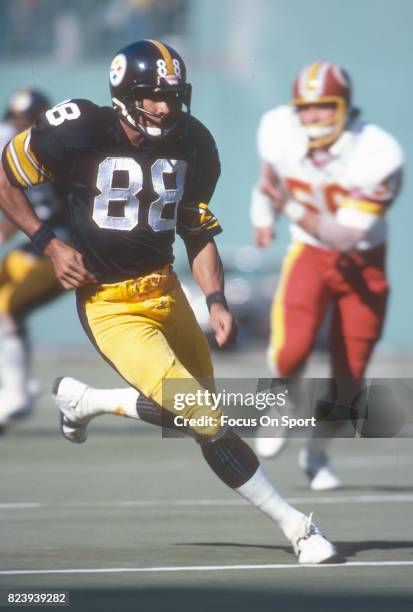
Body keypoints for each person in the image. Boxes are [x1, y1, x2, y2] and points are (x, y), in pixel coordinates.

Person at [0, 40, 336, 563]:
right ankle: (298, 528)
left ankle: (89, 401)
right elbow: (6, 175)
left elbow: (195, 230)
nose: (164, 107)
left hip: (164, 289)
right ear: (124, 94)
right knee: (205, 416)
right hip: (109, 303)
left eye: (173, 96)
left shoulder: (194, 142)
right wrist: (47, 241)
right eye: (154, 96)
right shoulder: (79, 129)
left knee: (196, 412)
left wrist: (217, 299)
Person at [251, 61, 403, 489]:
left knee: (350, 378)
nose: (313, 116)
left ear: (345, 106)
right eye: (306, 106)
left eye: (324, 106)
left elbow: (345, 234)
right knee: (289, 350)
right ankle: (279, 401)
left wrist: (290, 207)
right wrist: (263, 215)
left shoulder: (378, 153)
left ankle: (316, 453)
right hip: (310, 254)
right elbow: (268, 182)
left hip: (362, 261)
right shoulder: (279, 129)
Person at [0, 88, 70, 431]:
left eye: (27, 121)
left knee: (8, 304)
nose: (19, 129)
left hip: (66, 249)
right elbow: (21, 205)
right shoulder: (16, 151)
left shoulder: (60, 151)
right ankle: (21, 385)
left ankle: (16, 391)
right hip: (39, 244)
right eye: (16, 122)